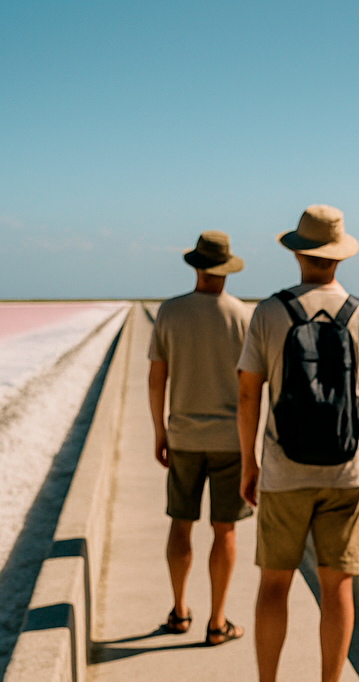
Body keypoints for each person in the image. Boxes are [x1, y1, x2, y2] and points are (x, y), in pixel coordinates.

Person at [233, 205, 359, 682]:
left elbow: (248, 394)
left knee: (273, 584)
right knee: (338, 586)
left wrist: (249, 462)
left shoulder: (269, 313)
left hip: (282, 469)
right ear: (338, 255)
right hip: (347, 472)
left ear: (299, 252)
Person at [147, 230, 252, 645]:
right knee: (224, 530)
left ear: (196, 266)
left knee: (181, 523)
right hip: (230, 439)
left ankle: (179, 610)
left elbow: (157, 378)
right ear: (226, 269)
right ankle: (217, 621)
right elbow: (250, 388)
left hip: (184, 436)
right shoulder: (243, 316)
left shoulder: (169, 313)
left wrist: (160, 430)